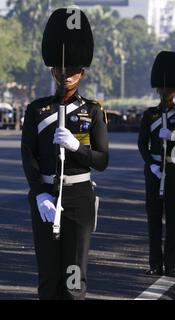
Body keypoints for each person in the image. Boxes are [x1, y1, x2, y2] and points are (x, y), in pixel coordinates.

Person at [21, 8, 109, 300]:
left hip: (78, 198)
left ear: (82, 72)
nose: (66, 74)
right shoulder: (37, 110)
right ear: (53, 70)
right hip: (46, 197)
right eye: (61, 69)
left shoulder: (92, 111)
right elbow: (28, 157)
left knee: (73, 280)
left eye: (73, 70)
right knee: (48, 278)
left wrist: (76, 147)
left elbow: (102, 160)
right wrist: (39, 193)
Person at [138, 51, 175, 278]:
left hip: (173, 170)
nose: (165, 93)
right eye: (162, 89)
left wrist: (172, 136)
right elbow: (143, 143)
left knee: (173, 221)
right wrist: (151, 163)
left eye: (169, 90)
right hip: (153, 171)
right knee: (153, 220)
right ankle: (155, 264)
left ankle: (170, 265)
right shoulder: (149, 115)